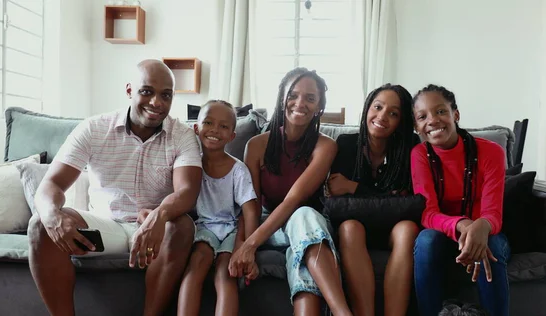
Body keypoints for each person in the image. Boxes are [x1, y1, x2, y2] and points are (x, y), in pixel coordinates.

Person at [27, 59, 203, 316]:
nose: (156, 102)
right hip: (103, 228)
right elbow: (51, 184)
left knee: (183, 226)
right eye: (147, 92)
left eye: (166, 95)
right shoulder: (95, 128)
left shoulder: (182, 135)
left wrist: (160, 215)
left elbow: (187, 191)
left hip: (154, 231)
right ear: (130, 91)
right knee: (39, 224)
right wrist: (52, 215)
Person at [228, 68, 353, 316]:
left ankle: (342, 313)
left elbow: (294, 199)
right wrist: (244, 246)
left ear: (319, 106)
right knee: (299, 235)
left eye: (310, 98)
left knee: (303, 219)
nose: (300, 103)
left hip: (310, 225)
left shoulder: (326, 146)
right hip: (269, 226)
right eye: (293, 95)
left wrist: (250, 245)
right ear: (282, 98)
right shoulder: (256, 145)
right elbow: (250, 205)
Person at [411, 84, 510, 316]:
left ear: (455, 114)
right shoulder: (419, 155)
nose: (433, 120)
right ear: (416, 127)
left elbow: (493, 213)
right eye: (422, 116)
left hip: (488, 234)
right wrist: (463, 225)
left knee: (491, 245)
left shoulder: (492, 152)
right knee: (426, 241)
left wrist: (479, 229)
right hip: (444, 236)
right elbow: (427, 212)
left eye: (441, 111)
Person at [327, 83, 419, 316]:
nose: (382, 116)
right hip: (356, 227)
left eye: (393, 113)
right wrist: (388, 199)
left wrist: (354, 187)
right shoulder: (346, 145)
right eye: (377, 107)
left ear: (402, 121)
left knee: (407, 228)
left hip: (393, 229)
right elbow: (336, 203)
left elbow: (411, 205)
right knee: (349, 228)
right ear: (367, 108)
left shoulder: (412, 148)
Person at [177, 100, 259, 315]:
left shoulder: (238, 169)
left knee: (225, 274)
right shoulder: (190, 166)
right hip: (204, 228)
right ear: (196, 128)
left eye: (224, 126)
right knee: (195, 267)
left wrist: (249, 249)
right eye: (208, 123)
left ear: (232, 135)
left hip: (232, 229)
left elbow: (250, 210)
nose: (215, 130)